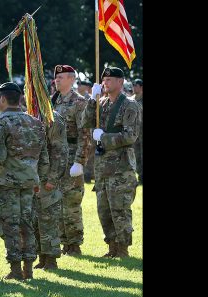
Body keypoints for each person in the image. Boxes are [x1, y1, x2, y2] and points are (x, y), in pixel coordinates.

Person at [0, 82, 49, 280]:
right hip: (29, 182)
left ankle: (15, 269)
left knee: (9, 224)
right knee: (27, 224)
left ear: (2, 99)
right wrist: (41, 178)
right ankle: (28, 268)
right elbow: (44, 156)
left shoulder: (1, 122)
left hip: (8, 183)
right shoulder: (35, 122)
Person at [81, 66, 141, 258]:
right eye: (103, 80)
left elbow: (130, 136)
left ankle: (122, 249)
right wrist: (92, 99)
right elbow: (84, 122)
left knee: (120, 209)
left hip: (121, 167)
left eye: (109, 80)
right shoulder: (102, 103)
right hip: (102, 167)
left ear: (120, 82)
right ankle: (111, 247)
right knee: (104, 210)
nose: (105, 83)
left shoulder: (130, 105)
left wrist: (104, 137)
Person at [52, 65, 91, 256]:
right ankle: (63, 242)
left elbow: (86, 134)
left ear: (71, 79)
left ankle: (74, 244)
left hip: (72, 154)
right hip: (55, 158)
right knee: (57, 202)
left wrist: (80, 161)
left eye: (61, 77)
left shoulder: (79, 102)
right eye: (56, 77)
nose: (57, 80)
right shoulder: (53, 100)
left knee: (72, 202)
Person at [33, 110, 69, 270]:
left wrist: (53, 178)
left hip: (47, 178)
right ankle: (42, 256)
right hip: (33, 178)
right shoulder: (30, 114)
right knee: (35, 221)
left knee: (49, 220)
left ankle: (52, 259)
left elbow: (60, 151)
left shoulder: (53, 117)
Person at [132, 79, 143, 184]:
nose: (133, 87)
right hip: (134, 132)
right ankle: (140, 175)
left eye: (136, 85)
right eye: (133, 85)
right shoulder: (131, 100)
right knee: (136, 153)